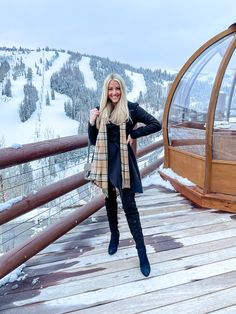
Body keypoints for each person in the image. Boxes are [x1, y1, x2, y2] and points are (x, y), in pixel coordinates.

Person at [88, 73, 161, 277]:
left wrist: (133, 134)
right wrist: (90, 122)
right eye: (110, 89)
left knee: (130, 207)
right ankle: (114, 236)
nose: (114, 93)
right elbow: (94, 140)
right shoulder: (100, 109)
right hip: (105, 162)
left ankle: (142, 253)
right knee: (109, 201)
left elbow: (156, 124)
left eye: (117, 88)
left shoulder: (131, 108)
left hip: (124, 164)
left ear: (122, 89)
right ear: (106, 90)